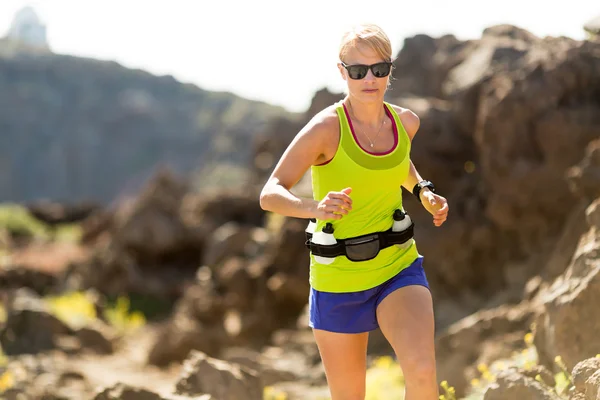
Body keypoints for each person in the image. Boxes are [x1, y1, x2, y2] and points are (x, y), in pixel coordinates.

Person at [259, 23, 449, 400]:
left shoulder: (406, 122)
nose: (369, 79)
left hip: (397, 266)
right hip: (338, 280)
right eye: (358, 71)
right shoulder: (326, 128)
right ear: (342, 71)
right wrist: (316, 207)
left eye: (379, 69)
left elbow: (397, 163)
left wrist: (422, 190)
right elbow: (270, 193)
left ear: (390, 70)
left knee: (423, 373)